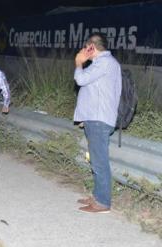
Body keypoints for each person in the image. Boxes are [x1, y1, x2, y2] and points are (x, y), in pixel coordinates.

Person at [74, 33, 122, 213]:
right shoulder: (103, 64)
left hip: (99, 119)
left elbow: (80, 79)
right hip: (95, 118)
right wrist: (84, 117)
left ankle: (103, 203)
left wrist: (79, 62)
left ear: (91, 47)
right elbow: (93, 92)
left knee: (99, 161)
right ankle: (98, 196)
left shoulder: (104, 63)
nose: (83, 50)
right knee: (96, 160)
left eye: (85, 47)